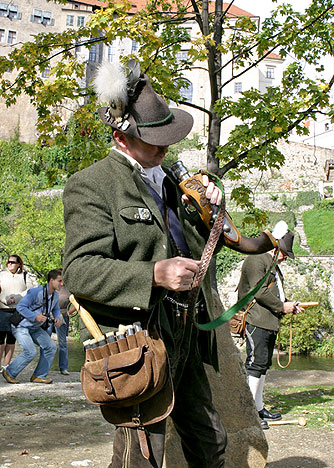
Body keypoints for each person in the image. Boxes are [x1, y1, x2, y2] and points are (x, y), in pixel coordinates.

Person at [62, 60, 277, 468]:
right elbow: (79, 270)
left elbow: (199, 252)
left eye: (168, 139)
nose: (164, 148)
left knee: (210, 441)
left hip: (186, 335)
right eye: (154, 141)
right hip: (138, 341)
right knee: (140, 458)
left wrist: (208, 209)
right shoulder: (91, 184)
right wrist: (154, 275)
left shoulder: (172, 181)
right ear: (121, 138)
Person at [237, 221, 304, 430]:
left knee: (263, 365)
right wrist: (283, 307)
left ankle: (258, 407)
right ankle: (249, 414)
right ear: (274, 246)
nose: (285, 256)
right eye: (284, 252)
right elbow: (259, 291)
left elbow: (276, 293)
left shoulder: (271, 262)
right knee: (255, 364)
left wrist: (289, 306)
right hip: (256, 319)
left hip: (267, 320)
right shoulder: (257, 259)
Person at [2, 269, 63, 385]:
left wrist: (57, 318)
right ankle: (9, 372)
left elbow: (55, 309)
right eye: (59, 281)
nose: (62, 284)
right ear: (51, 280)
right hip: (21, 326)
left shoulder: (55, 295)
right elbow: (20, 307)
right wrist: (35, 317)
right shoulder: (36, 292)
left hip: (35, 328)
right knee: (30, 351)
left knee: (50, 347)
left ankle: (39, 375)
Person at [0, 254, 35, 370]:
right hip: (2, 309)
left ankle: (6, 365)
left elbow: (30, 291)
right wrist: (5, 299)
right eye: (8, 262)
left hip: (18, 311)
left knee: (11, 339)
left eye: (12, 262)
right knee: (0, 339)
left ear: (19, 264)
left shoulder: (25, 276)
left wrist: (17, 298)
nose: (10, 264)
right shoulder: (1, 275)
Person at [50, 285, 76, 375]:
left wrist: (69, 312)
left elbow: (77, 303)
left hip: (62, 316)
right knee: (45, 342)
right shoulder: (51, 287)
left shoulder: (69, 289)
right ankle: (44, 368)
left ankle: (63, 368)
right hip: (49, 316)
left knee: (62, 343)